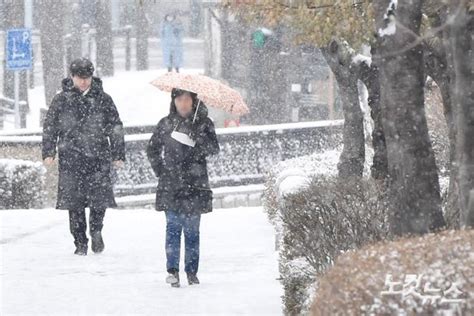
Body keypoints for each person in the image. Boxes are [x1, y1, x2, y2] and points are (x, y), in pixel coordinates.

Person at [42, 58, 125, 256]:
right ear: (72, 77)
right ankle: (80, 241)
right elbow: (50, 127)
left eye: (87, 78)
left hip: (98, 156)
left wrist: (118, 153)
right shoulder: (61, 100)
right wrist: (48, 152)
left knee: (99, 200)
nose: (84, 82)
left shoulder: (104, 99)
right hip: (71, 156)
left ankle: (96, 231)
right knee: (74, 203)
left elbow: (115, 127)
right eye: (80, 78)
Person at [147, 88, 219, 287]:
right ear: (174, 101)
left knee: (192, 231)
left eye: (187, 99)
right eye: (179, 99)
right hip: (171, 185)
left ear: (193, 101)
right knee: (172, 228)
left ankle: (191, 271)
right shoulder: (166, 123)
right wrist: (161, 170)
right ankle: (172, 270)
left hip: (196, 185)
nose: (183, 103)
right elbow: (152, 149)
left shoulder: (204, 123)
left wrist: (198, 137)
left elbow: (213, 149)